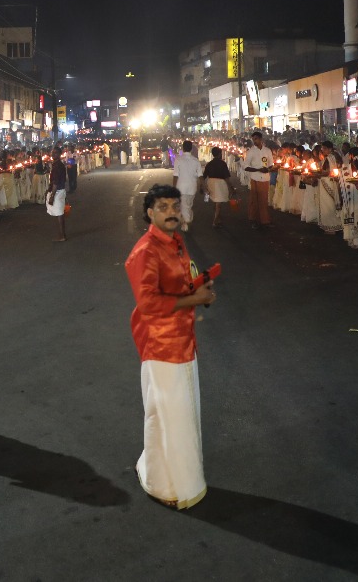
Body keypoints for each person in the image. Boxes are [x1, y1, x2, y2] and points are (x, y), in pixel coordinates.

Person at [125, 184, 216, 509]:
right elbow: (148, 303)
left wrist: (200, 288)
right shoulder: (146, 251)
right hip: (161, 345)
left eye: (175, 206)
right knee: (171, 417)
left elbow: (181, 283)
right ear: (150, 213)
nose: (171, 212)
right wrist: (195, 299)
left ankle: (161, 479)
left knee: (173, 415)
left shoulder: (175, 242)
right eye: (163, 207)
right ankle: (171, 488)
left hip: (182, 339)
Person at [242, 131, 274, 229]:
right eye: (253, 139)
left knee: (264, 200)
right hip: (255, 178)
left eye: (256, 139)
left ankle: (265, 220)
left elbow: (271, 164)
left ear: (261, 139)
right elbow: (245, 166)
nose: (254, 141)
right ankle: (253, 220)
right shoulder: (251, 151)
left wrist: (268, 169)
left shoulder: (267, 150)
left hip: (265, 178)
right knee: (254, 200)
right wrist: (258, 170)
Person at [171, 141, 202, 232]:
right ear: (191, 149)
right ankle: (186, 221)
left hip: (181, 187)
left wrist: (173, 188)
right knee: (187, 205)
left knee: (185, 206)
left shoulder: (178, 160)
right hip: (192, 187)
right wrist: (202, 186)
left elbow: (175, 175)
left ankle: (187, 221)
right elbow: (200, 175)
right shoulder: (196, 160)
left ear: (183, 148)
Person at [202, 146, 234, 228]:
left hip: (211, 183)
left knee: (216, 201)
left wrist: (203, 186)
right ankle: (215, 221)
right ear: (219, 154)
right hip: (220, 184)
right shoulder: (223, 164)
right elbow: (226, 177)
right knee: (218, 203)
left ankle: (218, 217)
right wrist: (230, 187)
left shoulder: (209, 164)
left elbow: (204, 176)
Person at [46, 147, 68, 242]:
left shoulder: (58, 166)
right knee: (59, 213)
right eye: (52, 152)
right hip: (59, 190)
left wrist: (52, 196)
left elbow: (55, 182)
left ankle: (62, 236)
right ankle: (62, 234)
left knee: (59, 214)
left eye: (55, 153)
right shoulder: (57, 164)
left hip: (58, 191)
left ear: (59, 154)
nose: (53, 154)